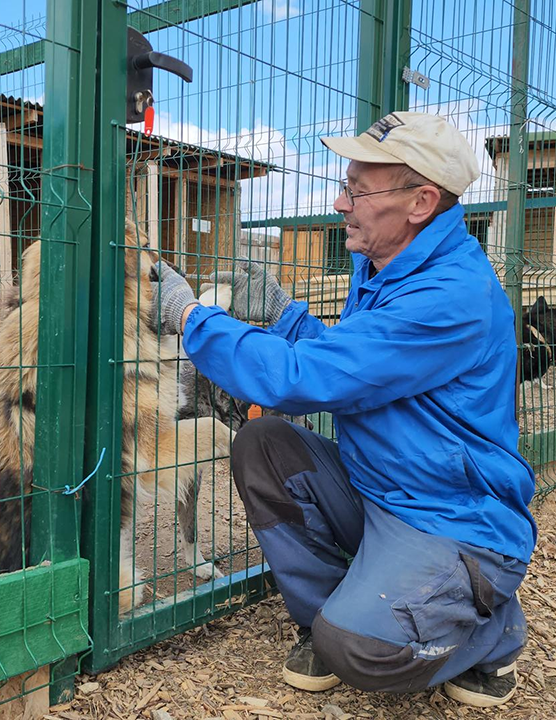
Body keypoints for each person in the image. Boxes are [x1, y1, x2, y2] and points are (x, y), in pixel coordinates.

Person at [154, 111, 536, 707]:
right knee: (263, 444)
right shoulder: (389, 261)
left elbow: (312, 378)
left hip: (450, 516)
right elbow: (353, 357)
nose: (339, 202)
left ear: (421, 202)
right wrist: (285, 313)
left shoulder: (451, 296)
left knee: (361, 649)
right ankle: (331, 612)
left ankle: (493, 630)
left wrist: (190, 318)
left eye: (357, 189)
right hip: (380, 488)